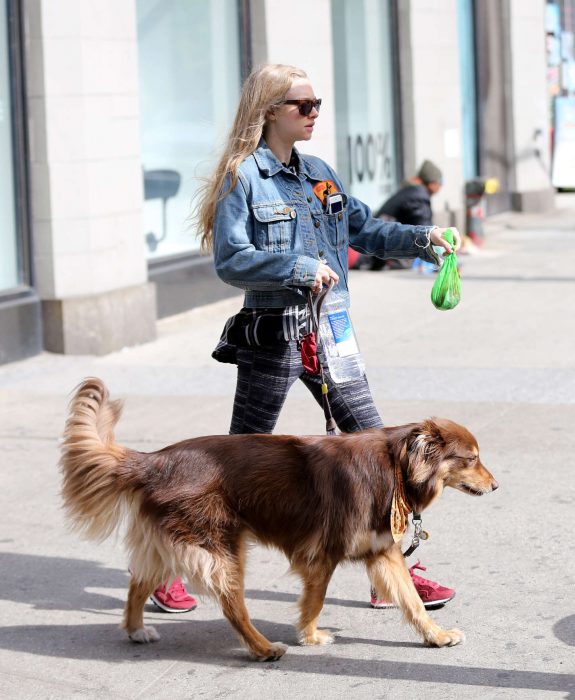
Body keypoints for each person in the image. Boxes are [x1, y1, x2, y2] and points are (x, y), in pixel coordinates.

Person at [194, 64, 460, 610]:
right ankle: (178, 560)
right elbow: (231, 259)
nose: (314, 114)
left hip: (334, 334)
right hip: (276, 333)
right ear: (270, 111)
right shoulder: (243, 177)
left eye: (318, 104)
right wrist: (297, 267)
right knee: (236, 457)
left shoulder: (319, 173)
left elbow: (368, 230)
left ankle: (395, 574)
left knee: (382, 452)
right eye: (303, 105)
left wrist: (426, 239)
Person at [364, 160, 443, 272]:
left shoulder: (411, 191)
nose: (441, 186)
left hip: (375, 243)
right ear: (432, 182)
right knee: (414, 256)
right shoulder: (418, 196)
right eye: (440, 181)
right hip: (376, 251)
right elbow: (426, 229)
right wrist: (440, 259)